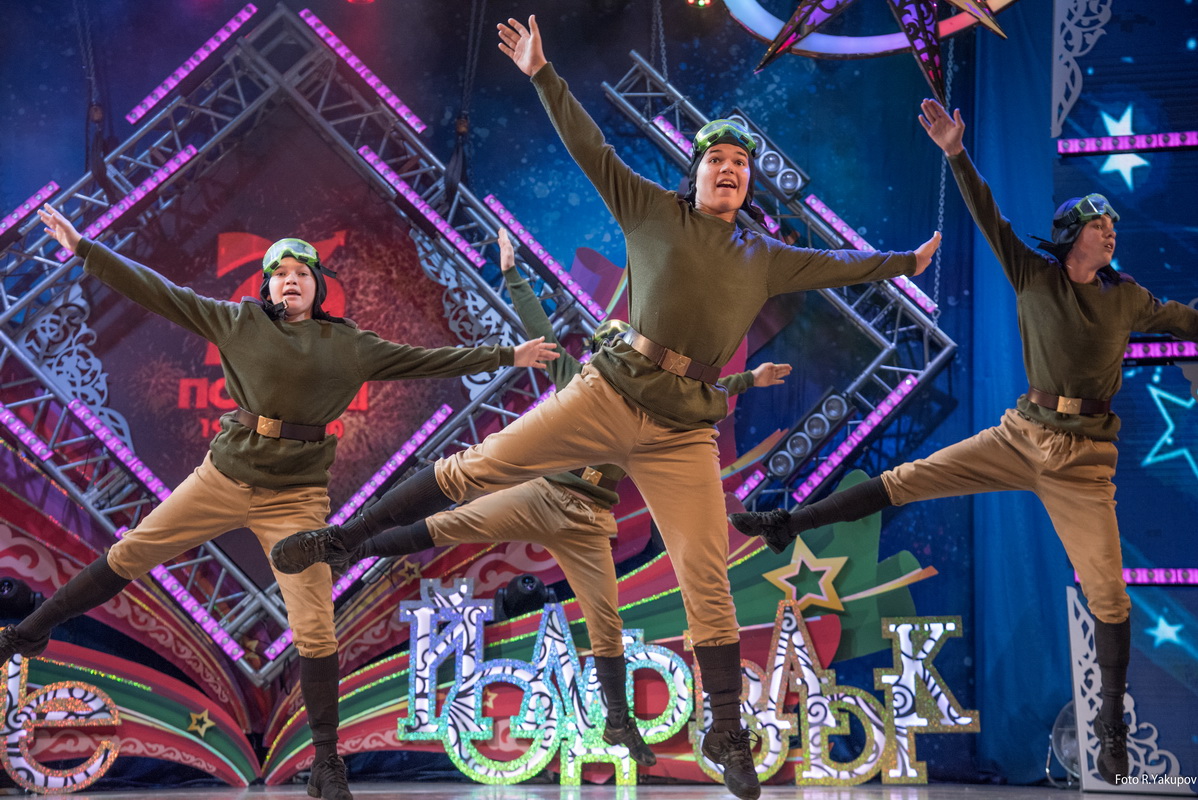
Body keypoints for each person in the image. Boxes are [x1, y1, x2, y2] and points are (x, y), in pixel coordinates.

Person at [270, 17, 939, 799]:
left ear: (749, 184)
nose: (729, 170)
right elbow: (591, 148)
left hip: (682, 430)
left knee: (708, 575)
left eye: (740, 164)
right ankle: (344, 541)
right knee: (476, 468)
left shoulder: (765, 257)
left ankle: (725, 729)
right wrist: (542, 73)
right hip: (610, 392)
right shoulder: (653, 211)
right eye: (716, 160)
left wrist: (907, 261)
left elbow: (839, 264)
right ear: (694, 173)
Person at [1, 205, 558, 800]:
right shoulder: (239, 321)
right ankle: (30, 631)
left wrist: (509, 356)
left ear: (319, 287)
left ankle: (326, 762)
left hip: (294, 499)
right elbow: (158, 292)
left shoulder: (348, 345)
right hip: (223, 477)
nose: (290, 280)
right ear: (266, 285)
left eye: (301, 273)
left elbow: (430, 360)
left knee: (315, 624)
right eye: (279, 273)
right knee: (131, 552)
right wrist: (84, 248)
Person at [730, 98, 1198, 786]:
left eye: (1113, 228)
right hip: (1022, 434)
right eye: (1101, 226)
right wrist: (955, 152)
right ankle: (785, 523)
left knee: (1110, 593)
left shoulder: (1126, 297)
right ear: (1073, 235)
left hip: (1084, 461)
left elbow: (1187, 320)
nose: (1111, 235)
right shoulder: (1033, 273)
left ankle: (1111, 727)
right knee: (908, 478)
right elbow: (988, 216)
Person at [349, 227, 793, 767]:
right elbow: (541, 332)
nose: (621, 356)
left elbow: (703, 391)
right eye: (612, 347)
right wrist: (512, 272)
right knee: (448, 524)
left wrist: (750, 379)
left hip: (588, 522)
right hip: (541, 497)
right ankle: (353, 547)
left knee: (606, 624)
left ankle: (618, 721)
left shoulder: (655, 404)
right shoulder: (579, 383)